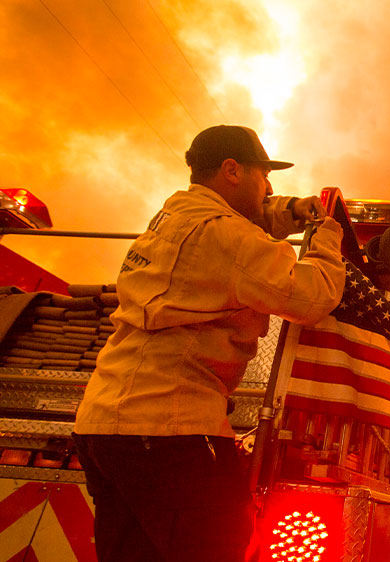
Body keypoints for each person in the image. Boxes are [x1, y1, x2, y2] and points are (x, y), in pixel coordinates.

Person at [72, 125, 347, 562]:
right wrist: (330, 239)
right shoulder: (226, 237)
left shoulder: (173, 215)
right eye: (263, 174)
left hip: (103, 427)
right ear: (232, 170)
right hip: (171, 431)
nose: (270, 186)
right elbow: (310, 295)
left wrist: (292, 210)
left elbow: (246, 217)